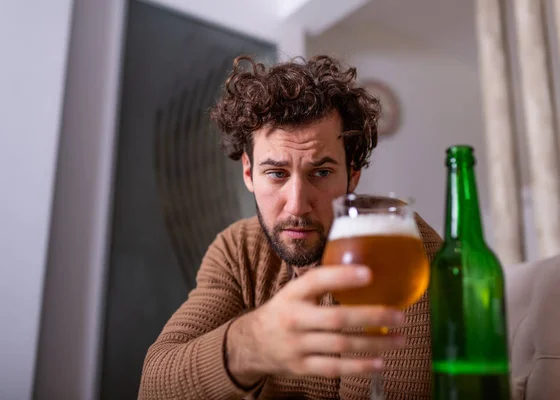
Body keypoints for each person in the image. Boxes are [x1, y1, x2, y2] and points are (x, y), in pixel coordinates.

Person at [137, 55, 442, 399]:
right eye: (277, 173)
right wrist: (252, 343)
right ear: (249, 173)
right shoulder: (238, 249)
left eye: (321, 173)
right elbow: (154, 387)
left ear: (352, 174)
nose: (297, 205)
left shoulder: (397, 246)